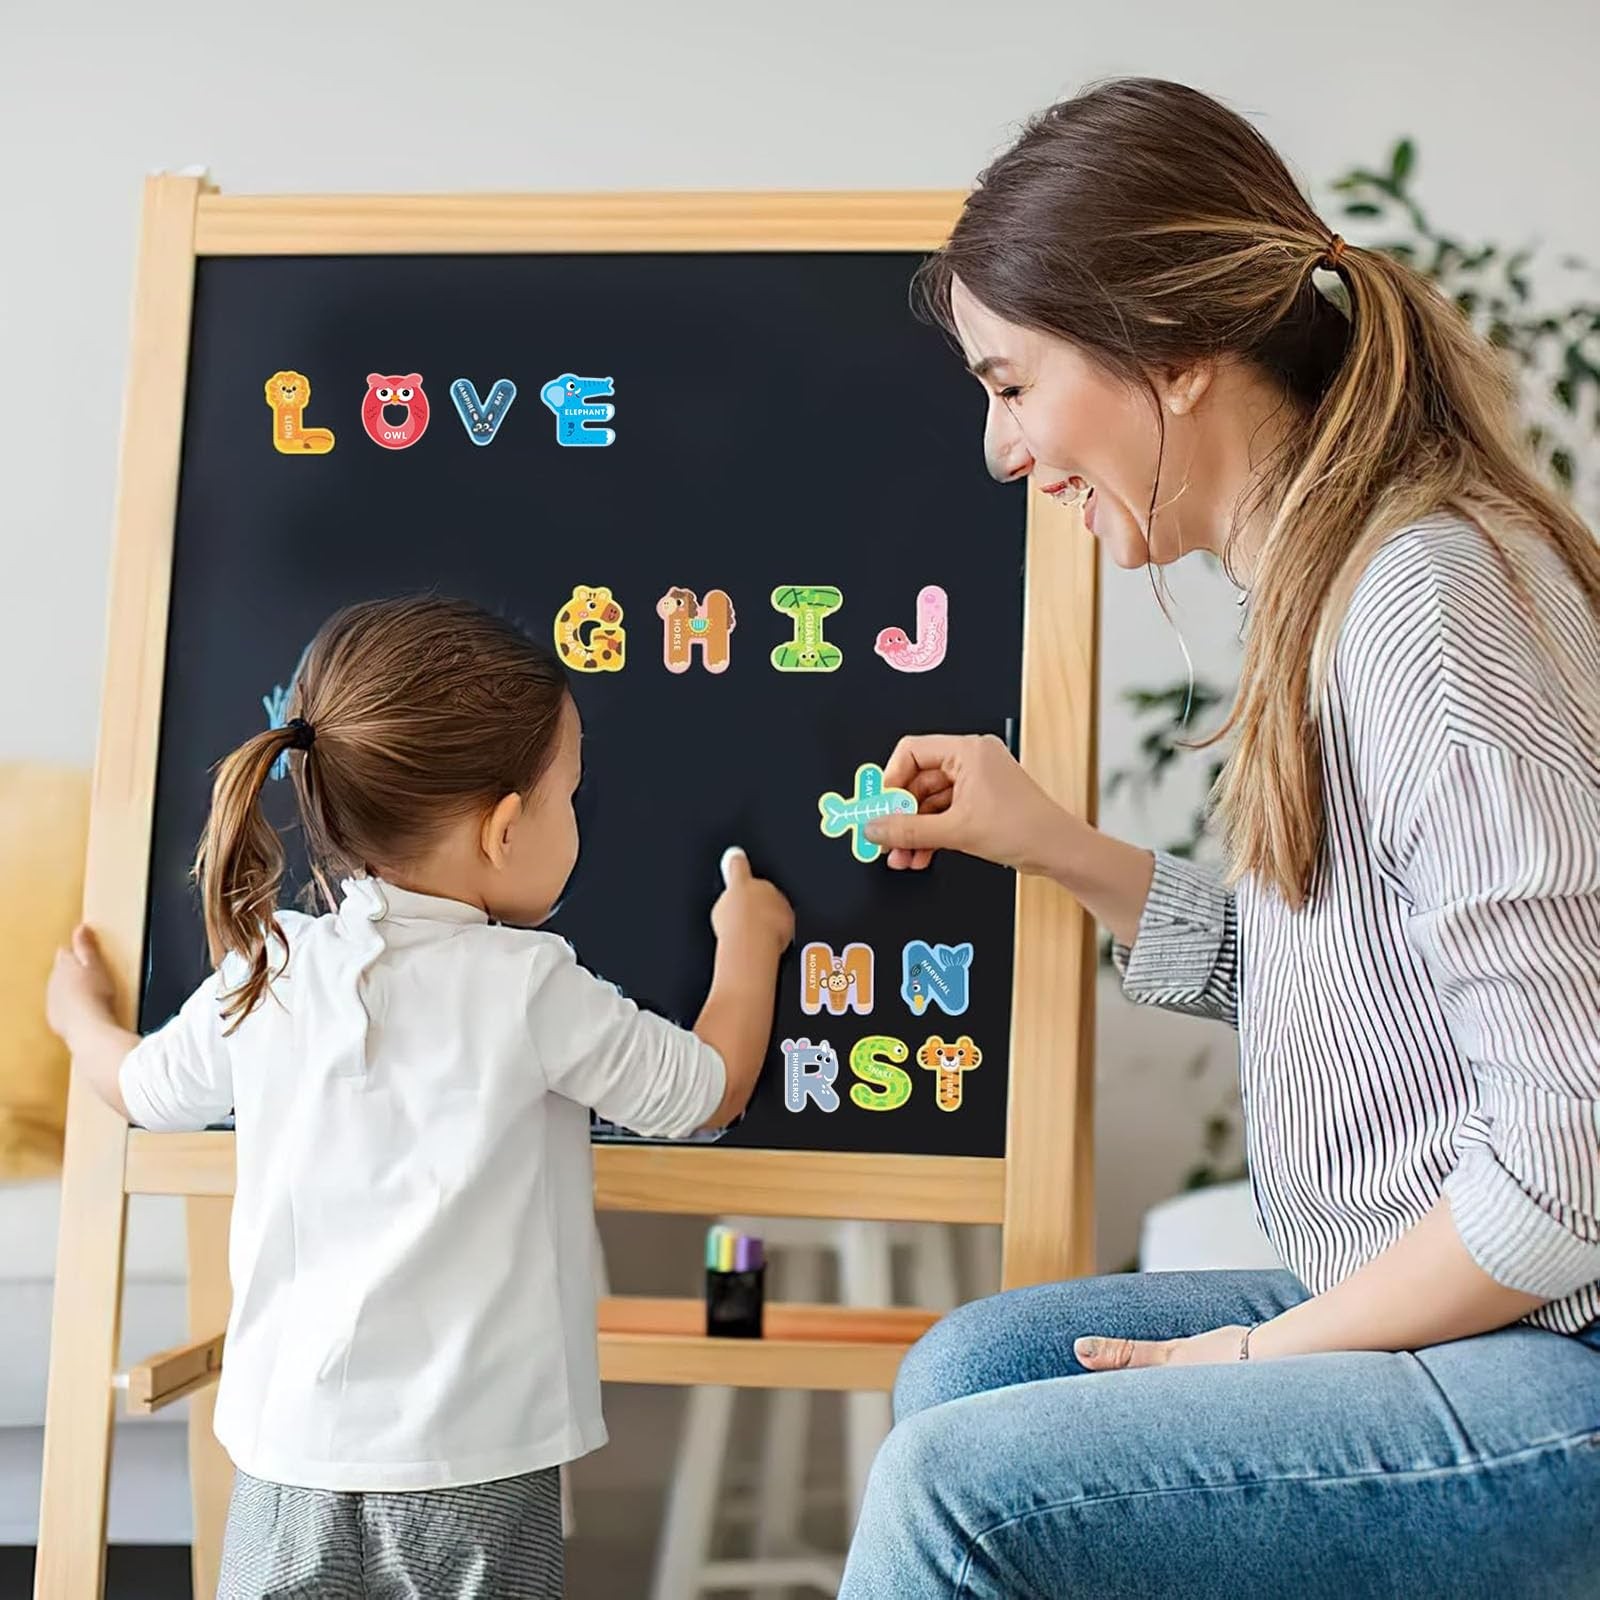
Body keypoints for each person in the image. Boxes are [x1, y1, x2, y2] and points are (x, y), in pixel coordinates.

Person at [839, 77, 1600, 1598]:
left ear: (1170, 353)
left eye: (1012, 383)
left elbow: (1573, 1150)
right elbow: (1356, 991)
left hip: (1560, 1344)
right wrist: (1053, 842)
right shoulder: (1337, 579)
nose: (1000, 450)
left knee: (955, 1491)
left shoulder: (1423, 606)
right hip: (1492, 1309)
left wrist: (1254, 1356)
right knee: (970, 1370)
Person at [46, 595, 794, 1600]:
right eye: (571, 796)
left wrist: (77, 1018)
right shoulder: (528, 986)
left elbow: (140, 1086)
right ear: (504, 829)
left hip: (288, 1458)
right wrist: (750, 940)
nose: (579, 817)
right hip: (477, 1464)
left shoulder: (269, 970)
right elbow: (706, 1091)